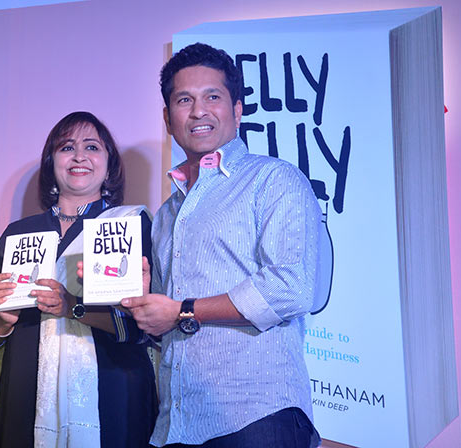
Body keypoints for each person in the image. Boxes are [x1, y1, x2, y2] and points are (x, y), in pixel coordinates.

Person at [121, 43, 322, 447]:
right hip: (176, 424)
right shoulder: (165, 213)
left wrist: (181, 310)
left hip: (256, 417)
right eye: (184, 100)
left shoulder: (273, 179)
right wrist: (139, 301)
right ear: (167, 117)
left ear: (237, 108)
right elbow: (163, 324)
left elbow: (290, 289)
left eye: (212, 96)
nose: (198, 111)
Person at [0, 111, 157, 448]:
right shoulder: (18, 233)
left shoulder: (130, 225)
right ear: (51, 162)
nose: (79, 156)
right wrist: (0, 321)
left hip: (112, 401)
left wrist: (74, 308)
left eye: (92, 147)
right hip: (25, 401)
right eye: (67, 147)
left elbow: (142, 329)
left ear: (109, 164)